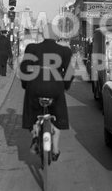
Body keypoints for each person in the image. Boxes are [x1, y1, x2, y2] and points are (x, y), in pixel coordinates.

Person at [20, 23, 74, 161]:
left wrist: (26, 85)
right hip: (55, 88)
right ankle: (55, 149)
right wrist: (65, 87)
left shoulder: (31, 48)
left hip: (35, 87)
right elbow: (69, 73)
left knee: (32, 111)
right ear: (56, 36)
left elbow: (24, 69)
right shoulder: (65, 51)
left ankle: (34, 133)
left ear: (42, 35)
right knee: (58, 113)